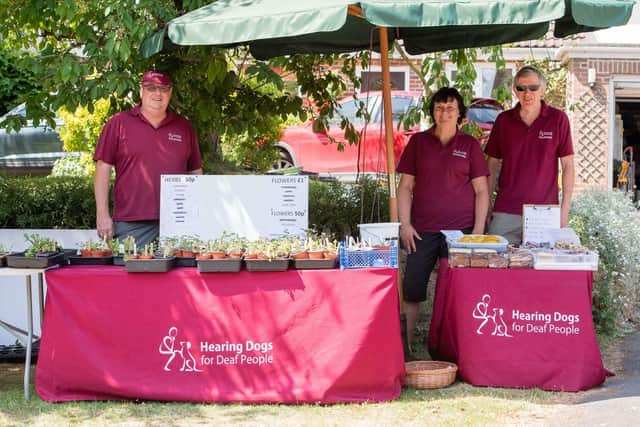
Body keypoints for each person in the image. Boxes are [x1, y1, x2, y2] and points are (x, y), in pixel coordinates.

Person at [397, 87, 489, 347]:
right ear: (432, 111)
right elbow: (405, 187)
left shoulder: (470, 145)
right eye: (439, 107)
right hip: (421, 231)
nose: (444, 112)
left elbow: (481, 191)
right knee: (412, 290)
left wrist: (478, 232)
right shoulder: (418, 143)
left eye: (450, 107)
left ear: (460, 113)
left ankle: (453, 348)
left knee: (455, 294)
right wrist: (405, 224)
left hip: (460, 234)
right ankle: (405, 349)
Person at [94, 70, 203, 246]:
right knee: (130, 272)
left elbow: (195, 172)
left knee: (181, 273)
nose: (157, 94)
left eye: (163, 89)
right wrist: (102, 214)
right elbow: (102, 168)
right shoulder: (119, 123)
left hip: (178, 221)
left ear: (170, 93)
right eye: (151, 88)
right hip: (132, 223)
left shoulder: (184, 127)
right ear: (141, 91)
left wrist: (198, 213)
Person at [485, 65, 575, 245]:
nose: (527, 93)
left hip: (544, 212)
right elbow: (491, 165)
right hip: (506, 210)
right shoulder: (503, 121)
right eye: (521, 88)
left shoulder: (558, 119)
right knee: (498, 264)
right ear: (514, 90)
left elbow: (568, 166)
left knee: (541, 268)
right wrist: (487, 205)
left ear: (543, 89)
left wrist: (564, 210)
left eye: (533, 87)